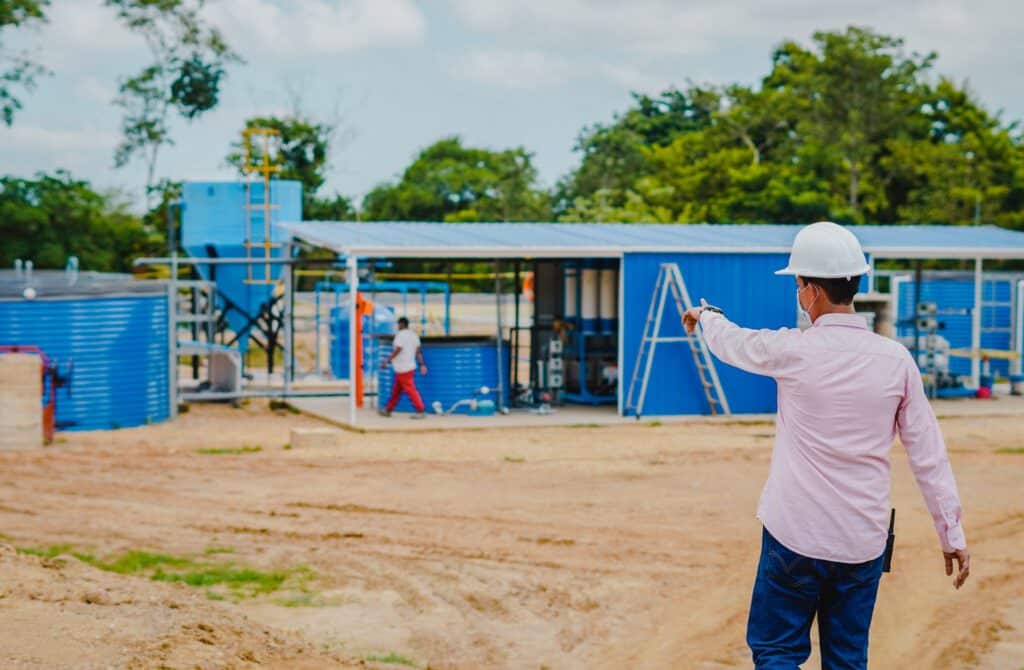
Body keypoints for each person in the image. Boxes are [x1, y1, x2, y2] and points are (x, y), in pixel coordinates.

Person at [682, 221, 970, 670]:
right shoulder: (896, 361)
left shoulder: (794, 351)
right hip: (862, 542)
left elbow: (733, 343)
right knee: (847, 659)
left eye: (799, 284)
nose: (798, 294)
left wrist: (706, 316)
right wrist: (950, 533)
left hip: (793, 536)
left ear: (812, 290)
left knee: (777, 652)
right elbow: (928, 454)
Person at [379, 317, 428, 419]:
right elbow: (418, 352)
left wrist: (387, 361)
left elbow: (398, 349)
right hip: (409, 367)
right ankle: (388, 409)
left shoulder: (400, 336)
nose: (397, 326)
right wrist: (422, 364)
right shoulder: (414, 335)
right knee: (396, 390)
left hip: (403, 368)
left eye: (398, 324)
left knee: (411, 390)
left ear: (401, 324)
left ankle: (420, 410)